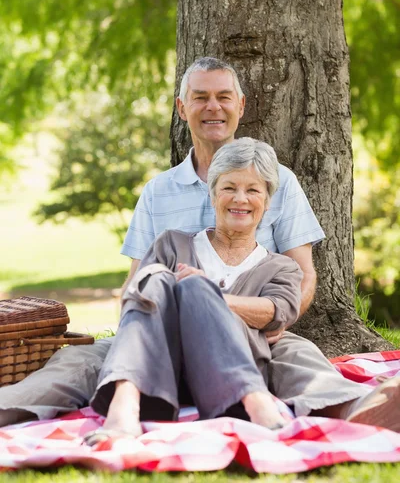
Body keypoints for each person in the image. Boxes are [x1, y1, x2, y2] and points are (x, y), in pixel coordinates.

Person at [1, 56, 393, 430]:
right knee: (80, 361)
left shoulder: (278, 180)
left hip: (251, 327)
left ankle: (357, 408)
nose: (213, 108)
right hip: (160, 326)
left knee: (298, 356)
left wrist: (277, 319)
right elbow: (136, 282)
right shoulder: (158, 192)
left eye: (223, 97)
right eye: (200, 97)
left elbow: (302, 273)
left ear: (240, 105)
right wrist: (141, 331)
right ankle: (9, 409)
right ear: (182, 107)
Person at [85, 139, 399, 444]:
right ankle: (120, 407)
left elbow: (280, 311)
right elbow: (138, 299)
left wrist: (210, 295)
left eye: (252, 190)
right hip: (165, 366)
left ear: (267, 202)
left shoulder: (281, 267)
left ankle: (354, 407)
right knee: (151, 279)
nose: (240, 199)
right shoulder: (172, 243)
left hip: (233, 366)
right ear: (212, 195)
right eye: (229, 188)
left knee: (297, 352)